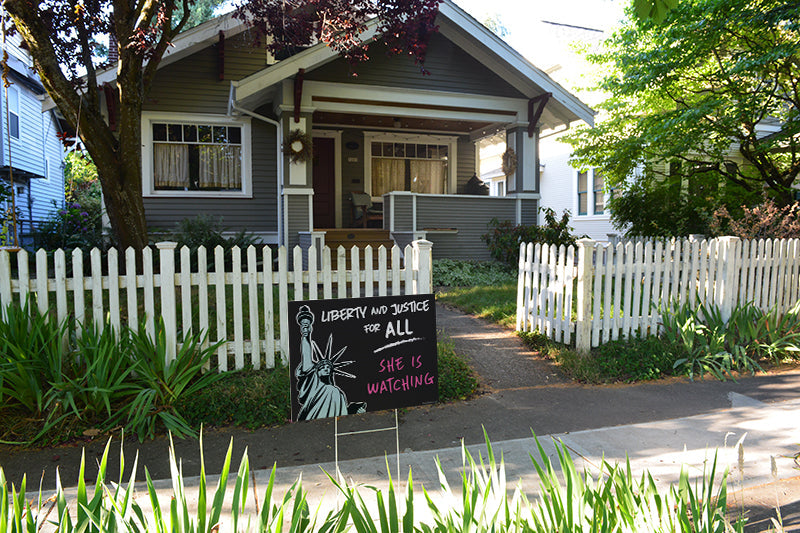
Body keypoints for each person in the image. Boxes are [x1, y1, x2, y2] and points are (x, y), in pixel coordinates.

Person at [295, 305, 365, 420]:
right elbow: (306, 356)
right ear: (316, 370)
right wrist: (306, 335)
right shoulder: (313, 381)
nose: (326, 368)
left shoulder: (337, 392)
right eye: (322, 367)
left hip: (334, 425)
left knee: (335, 390)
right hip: (314, 417)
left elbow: (342, 411)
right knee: (331, 390)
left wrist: (355, 411)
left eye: (329, 367)